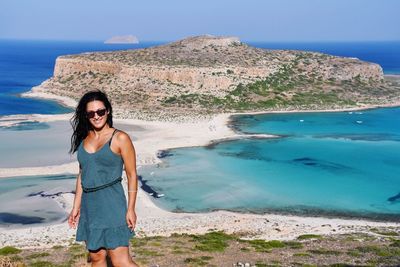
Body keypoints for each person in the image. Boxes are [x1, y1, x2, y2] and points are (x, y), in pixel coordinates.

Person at [68, 89, 139, 267]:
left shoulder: (120, 138)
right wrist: (75, 208)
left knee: (121, 261)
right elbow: (82, 174)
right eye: (91, 113)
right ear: (86, 115)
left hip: (112, 204)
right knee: (97, 258)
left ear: (107, 111)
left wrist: (131, 209)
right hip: (90, 208)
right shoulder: (84, 139)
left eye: (100, 111)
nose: (96, 116)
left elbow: (132, 175)